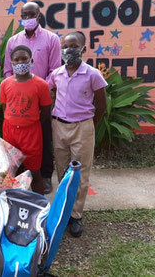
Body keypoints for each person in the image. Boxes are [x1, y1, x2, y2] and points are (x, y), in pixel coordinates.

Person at [48, 31, 107, 237]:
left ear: (83, 49)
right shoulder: (56, 74)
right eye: (65, 46)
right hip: (59, 127)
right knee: (62, 171)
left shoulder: (93, 74)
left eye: (73, 46)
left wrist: (88, 126)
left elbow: (101, 106)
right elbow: (46, 93)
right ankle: (62, 213)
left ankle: (76, 216)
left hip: (82, 127)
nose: (68, 50)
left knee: (79, 174)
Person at [4, 2, 61, 194]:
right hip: (18, 99)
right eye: (24, 15)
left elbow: (54, 70)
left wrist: (37, 90)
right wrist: (18, 90)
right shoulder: (13, 40)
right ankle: (19, 176)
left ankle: (44, 176)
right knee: (16, 148)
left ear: (38, 15)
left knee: (43, 139)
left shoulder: (51, 39)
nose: (28, 18)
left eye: (31, 14)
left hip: (40, 97)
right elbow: (7, 70)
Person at [0, 45, 52, 195]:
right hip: (10, 132)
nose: (20, 62)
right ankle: (12, 204)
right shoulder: (5, 84)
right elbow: (5, 107)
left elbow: (45, 112)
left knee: (35, 173)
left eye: (24, 59)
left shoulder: (41, 85)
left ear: (31, 61)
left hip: (31, 134)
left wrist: (29, 123)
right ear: (11, 63)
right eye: (16, 60)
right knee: (11, 173)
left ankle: (39, 208)